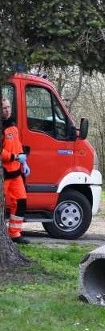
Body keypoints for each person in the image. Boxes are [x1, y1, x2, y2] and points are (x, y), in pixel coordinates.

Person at [2, 98, 31, 244]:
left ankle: (14, 233)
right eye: (4, 108)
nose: (7, 110)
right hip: (5, 174)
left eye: (8, 107)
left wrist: (24, 162)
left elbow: (18, 146)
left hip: (16, 173)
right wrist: (15, 157)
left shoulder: (13, 126)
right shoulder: (2, 128)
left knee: (20, 202)